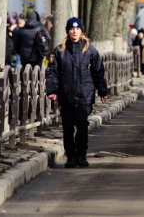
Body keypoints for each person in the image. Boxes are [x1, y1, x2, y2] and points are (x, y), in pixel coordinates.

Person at [46, 17, 108, 168]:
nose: (75, 31)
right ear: (68, 31)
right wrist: (52, 90)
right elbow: (53, 72)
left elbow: (98, 72)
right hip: (66, 94)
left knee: (81, 126)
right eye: (72, 29)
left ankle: (81, 156)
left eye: (77, 28)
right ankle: (71, 157)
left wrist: (102, 91)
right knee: (68, 127)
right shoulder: (59, 50)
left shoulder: (90, 50)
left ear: (81, 31)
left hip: (84, 95)